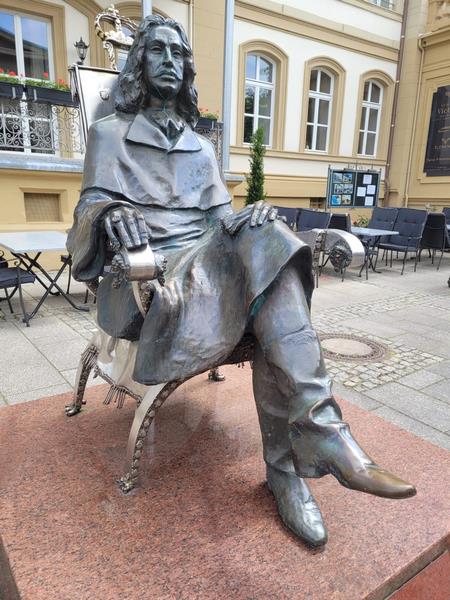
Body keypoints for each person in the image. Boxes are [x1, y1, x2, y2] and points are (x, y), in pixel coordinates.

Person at [67, 15, 415, 548]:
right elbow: (87, 208)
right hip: (150, 271)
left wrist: (247, 218)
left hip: (206, 262)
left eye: (178, 53)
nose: (169, 60)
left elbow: (218, 222)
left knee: (267, 248)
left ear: (187, 70)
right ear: (138, 64)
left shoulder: (201, 147)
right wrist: (110, 211)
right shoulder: (110, 133)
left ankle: (300, 459)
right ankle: (304, 456)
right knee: (272, 294)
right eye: (156, 50)